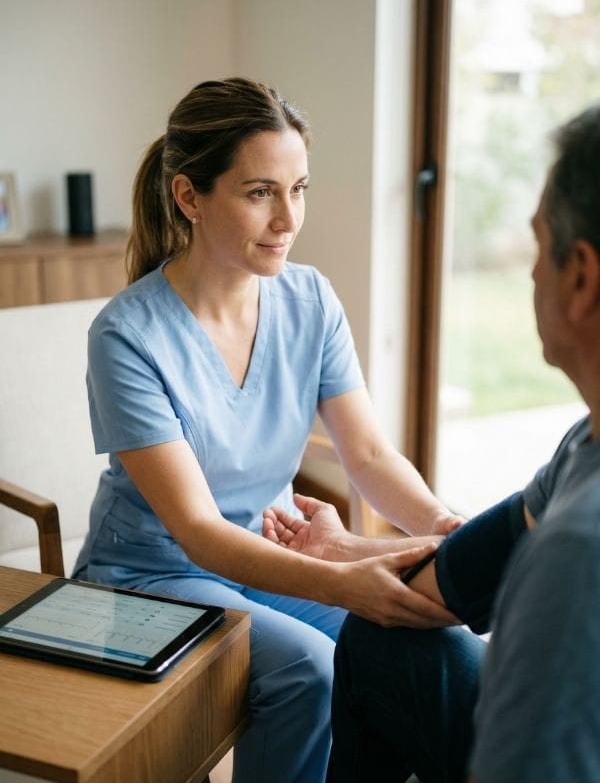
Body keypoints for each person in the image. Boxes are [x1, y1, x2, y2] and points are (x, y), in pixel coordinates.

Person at [72, 77, 464, 783]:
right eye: (260, 193)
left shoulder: (310, 299)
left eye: (299, 189)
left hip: (270, 551)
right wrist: (338, 581)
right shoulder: (126, 336)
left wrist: (441, 523)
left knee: (413, 651)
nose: (289, 218)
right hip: (153, 574)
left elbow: (369, 455)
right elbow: (195, 528)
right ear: (190, 197)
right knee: (309, 670)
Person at [263, 103, 600, 783]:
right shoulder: (582, 448)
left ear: (581, 277)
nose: (529, 273)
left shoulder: (575, 557)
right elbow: (474, 563)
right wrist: (342, 553)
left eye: (537, 247)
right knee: (380, 638)